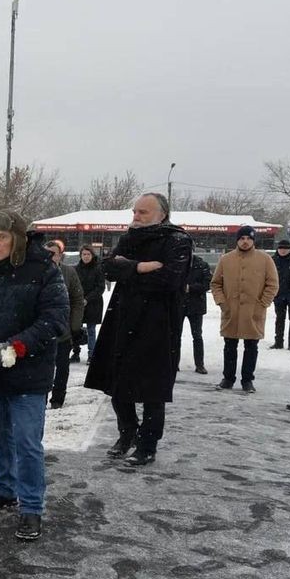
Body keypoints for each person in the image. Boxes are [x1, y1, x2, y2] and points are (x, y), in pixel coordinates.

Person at [0, 211, 68, 541]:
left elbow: (55, 319)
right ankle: (4, 488)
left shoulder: (43, 270)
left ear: (17, 237)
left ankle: (31, 507)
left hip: (29, 373)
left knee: (27, 443)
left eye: (2, 237)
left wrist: (19, 346)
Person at [84, 193, 192, 466]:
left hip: (158, 323)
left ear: (162, 214)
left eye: (143, 212)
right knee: (118, 384)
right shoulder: (130, 237)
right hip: (122, 319)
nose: (136, 217)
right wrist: (141, 267)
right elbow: (107, 268)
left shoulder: (177, 240)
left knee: (152, 389)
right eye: (135, 212)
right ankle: (127, 432)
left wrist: (128, 271)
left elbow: (169, 279)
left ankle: (147, 443)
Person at [211, 226, 279, 393]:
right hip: (231, 311)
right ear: (237, 240)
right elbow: (216, 284)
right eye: (242, 238)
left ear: (253, 240)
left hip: (253, 311)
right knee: (229, 346)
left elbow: (272, 284)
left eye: (249, 238)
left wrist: (262, 303)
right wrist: (222, 303)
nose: (245, 241)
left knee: (251, 346)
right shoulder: (226, 259)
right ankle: (228, 378)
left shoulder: (265, 259)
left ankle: (247, 380)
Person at [44, 240, 84, 409]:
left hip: (63, 331)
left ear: (60, 255)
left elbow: (77, 299)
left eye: (54, 253)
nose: (51, 257)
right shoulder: (38, 273)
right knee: (44, 369)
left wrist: (74, 325)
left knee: (62, 368)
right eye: (48, 253)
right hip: (42, 331)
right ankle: (41, 396)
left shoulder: (69, 272)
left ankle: (58, 398)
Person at [178, 254, 213, 374]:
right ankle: (173, 362)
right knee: (175, 335)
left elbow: (207, 284)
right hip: (178, 304)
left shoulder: (202, 265)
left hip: (196, 305)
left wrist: (190, 288)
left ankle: (199, 365)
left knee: (197, 336)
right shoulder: (177, 262)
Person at [73, 245, 105, 363]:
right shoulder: (76, 269)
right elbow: (73, 285)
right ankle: (76, 353)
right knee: (76, 329)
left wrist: (87, 299)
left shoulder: (98, 268)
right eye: (84, 254)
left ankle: (91, 355)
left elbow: (100, 287)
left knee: (91, 329)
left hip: (93, 304)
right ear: (80, 255)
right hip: (78, 303)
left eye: (88, 254)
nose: (86, 257)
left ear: (92, 255)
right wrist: (78, 299)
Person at [270, 239, 290, 350]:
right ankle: (278, 342)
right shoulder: (273, 260)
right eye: (281, 248)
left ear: (289, 249)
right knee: (279, 319)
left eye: (285, 248)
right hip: (279, 294)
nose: (283, 250)